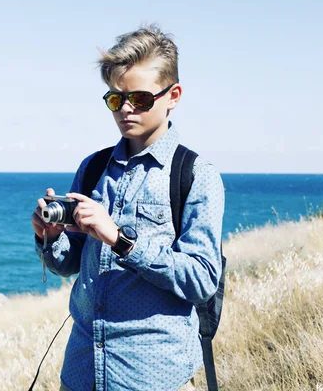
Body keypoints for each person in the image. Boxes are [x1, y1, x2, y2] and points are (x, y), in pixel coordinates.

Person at [31, 24, 225, 391]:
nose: (126, 109)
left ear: (174, 95)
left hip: (153, 378)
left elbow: (201, 281)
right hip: (80, 374)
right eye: (115, 100)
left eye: (140, 98)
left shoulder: (196, 176)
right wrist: (50, 239)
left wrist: (121, 240)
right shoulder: (92, 168)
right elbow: (68, 265)